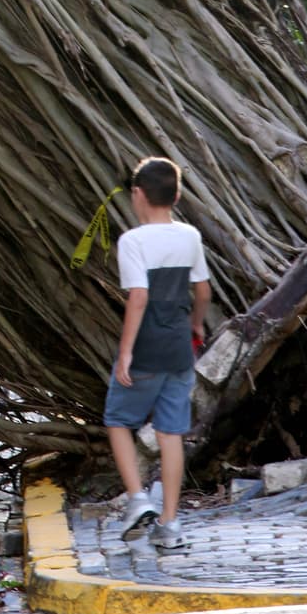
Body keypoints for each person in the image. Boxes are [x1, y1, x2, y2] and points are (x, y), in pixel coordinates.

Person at [105, 155, 211, 551]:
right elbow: (202, 291)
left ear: (137, 194)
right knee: (171, 434)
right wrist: (197, 325)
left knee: (117, 419)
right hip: (179, 351)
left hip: (147, 346)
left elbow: (138, 298)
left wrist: (127, 352)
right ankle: (169, 526)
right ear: (177, 194)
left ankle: (137, 500)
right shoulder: (189, 236)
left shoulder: (132, 241)